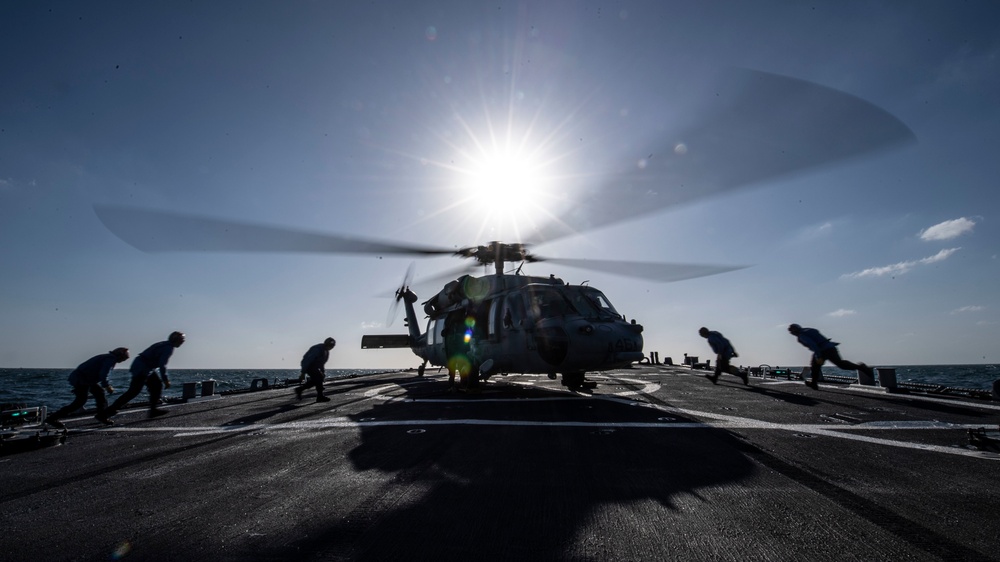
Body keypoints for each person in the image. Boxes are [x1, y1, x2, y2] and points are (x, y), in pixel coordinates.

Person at [102, 331, 185, 421]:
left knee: (156, 386)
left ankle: (153, 410)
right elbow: (162, 364)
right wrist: (165, 379)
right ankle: (107, 412)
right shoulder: (168, 348)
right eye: (181, 340)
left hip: (143, 366)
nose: (182, 342)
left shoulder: (163, 344)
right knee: (133, 391)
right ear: (177, 340)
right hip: (143, 368)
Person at [45, 347, 130, 429]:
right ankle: (52, 418)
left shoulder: (106, 357)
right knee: (80, 402)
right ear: (120, 355)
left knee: (100, 393)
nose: (123, 361)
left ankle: (101, 415)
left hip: (86, 379)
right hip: (82, 379)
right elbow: (104, 373)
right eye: (124, 359)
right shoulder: (110, 359)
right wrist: (107, 385)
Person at [788, 323, 875, 389]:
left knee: (814, 366)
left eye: (792, 332)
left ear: (795, 331)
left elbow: (813, 344)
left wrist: (818, 355)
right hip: (830, 347)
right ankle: (861, 367)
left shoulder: (801, 336)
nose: (792, 333)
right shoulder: (809, 329)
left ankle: (814, 383)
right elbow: (819, 335)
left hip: (822, 350)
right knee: (841, 364)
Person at [295, 337, 335, 403]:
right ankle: (320, 397)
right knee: (318, 379)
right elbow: (307, 360)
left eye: (332, 346)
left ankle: (300, 389)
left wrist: (322, 372)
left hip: (315, 366)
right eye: (330, 345)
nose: (331, 347)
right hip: (309, 365)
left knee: (317, 380)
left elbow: (322, 363)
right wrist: (303, 373)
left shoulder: (326, 351)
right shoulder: (317, 349)